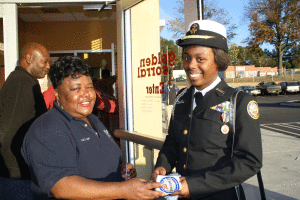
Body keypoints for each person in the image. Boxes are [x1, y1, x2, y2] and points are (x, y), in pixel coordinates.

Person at [21, 56, 165, 200]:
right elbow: (62, 186)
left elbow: (94, 161)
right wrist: (123, 189)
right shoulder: (48, 128)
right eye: (75, 89)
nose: (86, 94)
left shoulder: (92, 119)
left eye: (89, 87)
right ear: (57, 94)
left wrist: (117, 172)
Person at [151, 20, 262, 200]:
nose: (190, 65)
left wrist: (194, 186)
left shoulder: (239, 102)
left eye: (200, 59)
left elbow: (249, 162)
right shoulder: (181, 99)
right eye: (187, 57)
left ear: (218, 61)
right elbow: (173, 142)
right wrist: (162, 166)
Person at [0, 43, 50, 199]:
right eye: (44, 61)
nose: (48, 66)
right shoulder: (22, 83)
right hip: (16, 174)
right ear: (28, 58)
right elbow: (8, 130)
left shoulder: (26, 81)